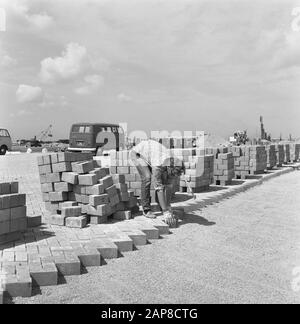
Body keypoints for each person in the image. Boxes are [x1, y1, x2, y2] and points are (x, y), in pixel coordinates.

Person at [130, 139, 185, 227]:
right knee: (147, 177)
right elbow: (159, 188)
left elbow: (169, 187)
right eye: (172, 174)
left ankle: (162, 206)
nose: (172, 177)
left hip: (151, 154)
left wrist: (168, 206)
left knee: (165, 181)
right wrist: (165, 211)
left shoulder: (173, 162)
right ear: (169, 168)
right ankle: (146, 209)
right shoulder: (158, 166)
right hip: (138, 154)